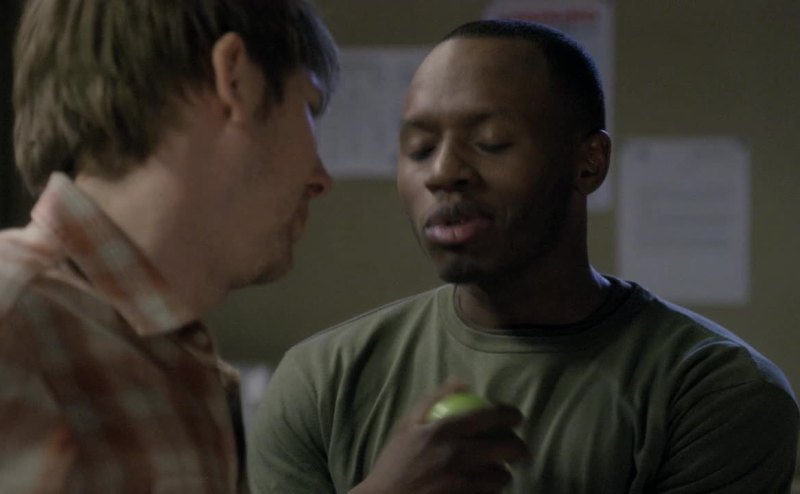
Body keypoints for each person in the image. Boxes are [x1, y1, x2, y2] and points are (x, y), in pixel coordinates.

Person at [248, 19, 800, 493]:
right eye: (419, 148)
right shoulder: (321, 382)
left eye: (491, 142)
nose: (443, 172)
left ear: (589, 162)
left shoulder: (714, 391)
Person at [0, 0, 338, 492]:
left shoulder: (171, 359)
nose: (322, 178)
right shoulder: (13, 327)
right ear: (235, 79)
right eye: (308, 106)